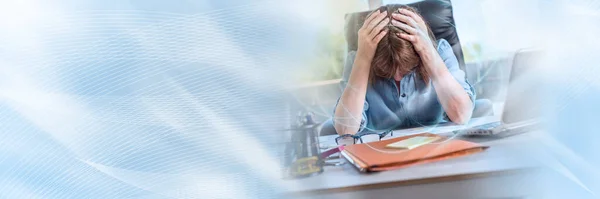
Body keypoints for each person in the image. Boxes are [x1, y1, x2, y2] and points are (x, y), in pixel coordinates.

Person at [332, 5, 476, 138]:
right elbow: (346, 130)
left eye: (407, 69)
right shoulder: (358, 60)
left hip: (437, 145)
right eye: (385, 71)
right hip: (380, 153)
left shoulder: (440, 52)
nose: (397, 76)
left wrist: (428, 52)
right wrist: (363, 59)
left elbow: (461, 115)